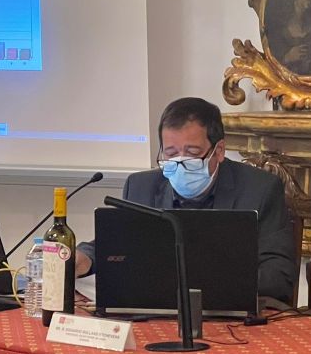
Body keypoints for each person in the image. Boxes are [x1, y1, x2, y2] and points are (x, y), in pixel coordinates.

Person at [75, 97, 297, 304]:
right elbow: (119, 244)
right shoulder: (141, 187)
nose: (180, 163)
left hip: (229, 313)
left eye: (192, 153)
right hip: (157, 311)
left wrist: (201, 281)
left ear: (219, 151)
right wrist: (86, 258)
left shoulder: (260, 189)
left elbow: (278, 276)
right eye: (171, 154)